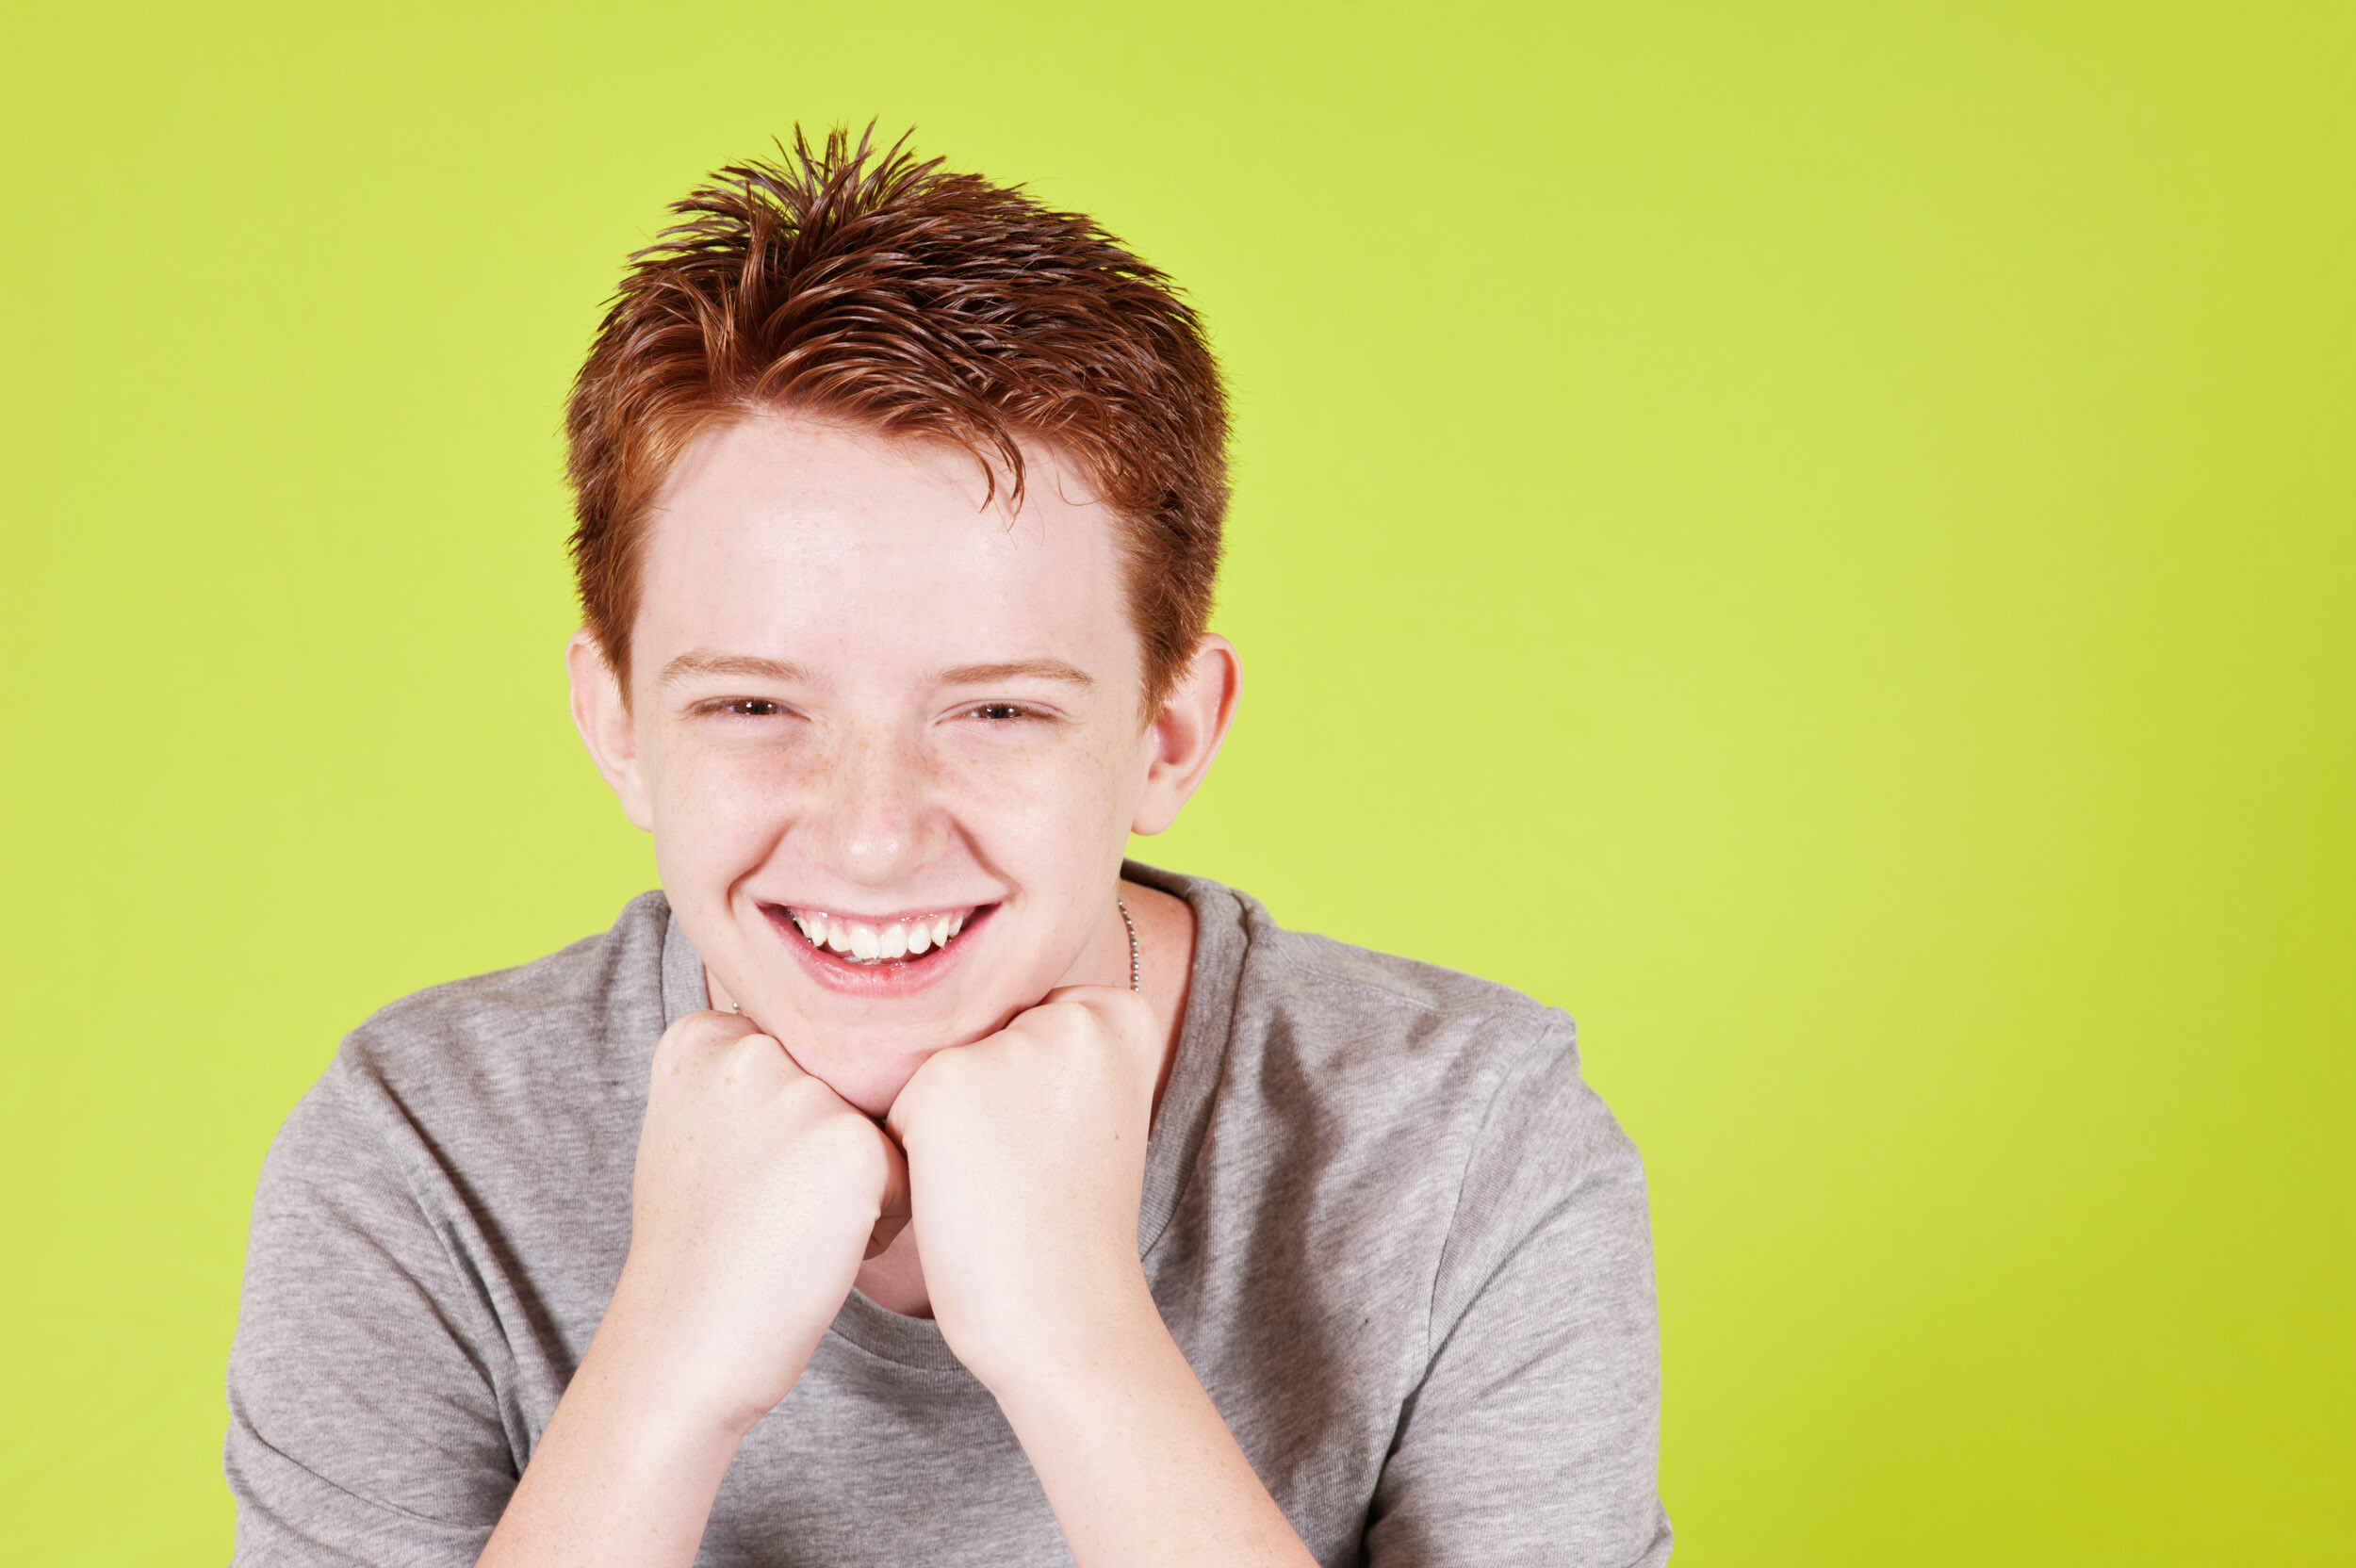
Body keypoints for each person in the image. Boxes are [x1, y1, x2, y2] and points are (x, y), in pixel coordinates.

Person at [222, 127, 1674, 1568]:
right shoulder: (421, 1157)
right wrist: (659, 1384)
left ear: (1169, 736)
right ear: (616, 727)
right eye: (752, 705)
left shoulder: (1474, 1151)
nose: (871, 837)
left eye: (996, 710)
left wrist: (1081, 1343)